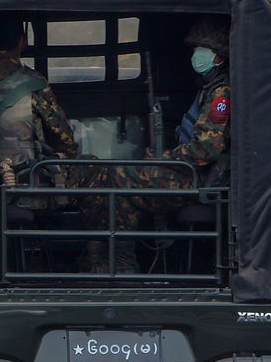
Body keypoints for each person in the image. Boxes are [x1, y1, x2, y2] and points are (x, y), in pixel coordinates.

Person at [82, 16, 232, 272]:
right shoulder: (208, 89)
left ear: (219, 57)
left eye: (203, 50)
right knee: (112, 178)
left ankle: (120, 262)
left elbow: (206, 149)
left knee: (119, 175)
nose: (197, 55)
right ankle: (103, 260)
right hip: (189, 172)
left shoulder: (222, 95)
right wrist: (166, 157)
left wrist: (166, 161)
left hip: (200, 179)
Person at [0, 12, 78, 187]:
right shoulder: (34, 83)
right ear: (22, 42)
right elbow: (65, 141)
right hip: (26, 186)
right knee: (92, 166)